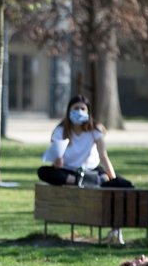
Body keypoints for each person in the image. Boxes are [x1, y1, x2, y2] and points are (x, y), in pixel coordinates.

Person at [36, 94, 129, 244]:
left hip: (92, 171)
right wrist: (57, 162)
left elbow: (103, 156)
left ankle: (115, 230)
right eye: (75, 108)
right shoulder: (60, 131)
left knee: (123, 184)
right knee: (43, 172)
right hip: (69, 172)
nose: (79, 111)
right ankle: (84, 181)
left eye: (82, 108)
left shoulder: (95, 130)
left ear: (88, 111)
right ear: (68, 111)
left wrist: (112, 178)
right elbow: (55, 159)